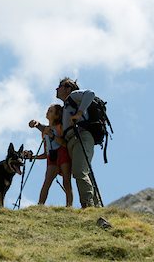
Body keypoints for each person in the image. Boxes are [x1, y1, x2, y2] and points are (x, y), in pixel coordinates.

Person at [56, 77, 99, 208]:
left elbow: (90, 93)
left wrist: (79, 113)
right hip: (72, 140)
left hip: (81, 136)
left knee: (79, 171)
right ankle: (95, 206)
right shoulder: (65, 108)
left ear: (68, 88)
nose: (57, 89)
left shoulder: (73, 96)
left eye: (60, 86)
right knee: (84, 171)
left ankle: (88, 205)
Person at [26, 104, 73, 207]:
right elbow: (46, 153)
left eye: (51, 111)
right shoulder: (44, 131)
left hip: (63, 154)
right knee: (47, 182)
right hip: (52, 158)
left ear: (57, 115)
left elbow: (65, 143)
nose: (48, 112)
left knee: (66, 182)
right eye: (48, 110)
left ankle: (69, 206)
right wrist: (33, 157)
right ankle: (40, 206)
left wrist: (52, 135)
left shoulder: (60, 127)